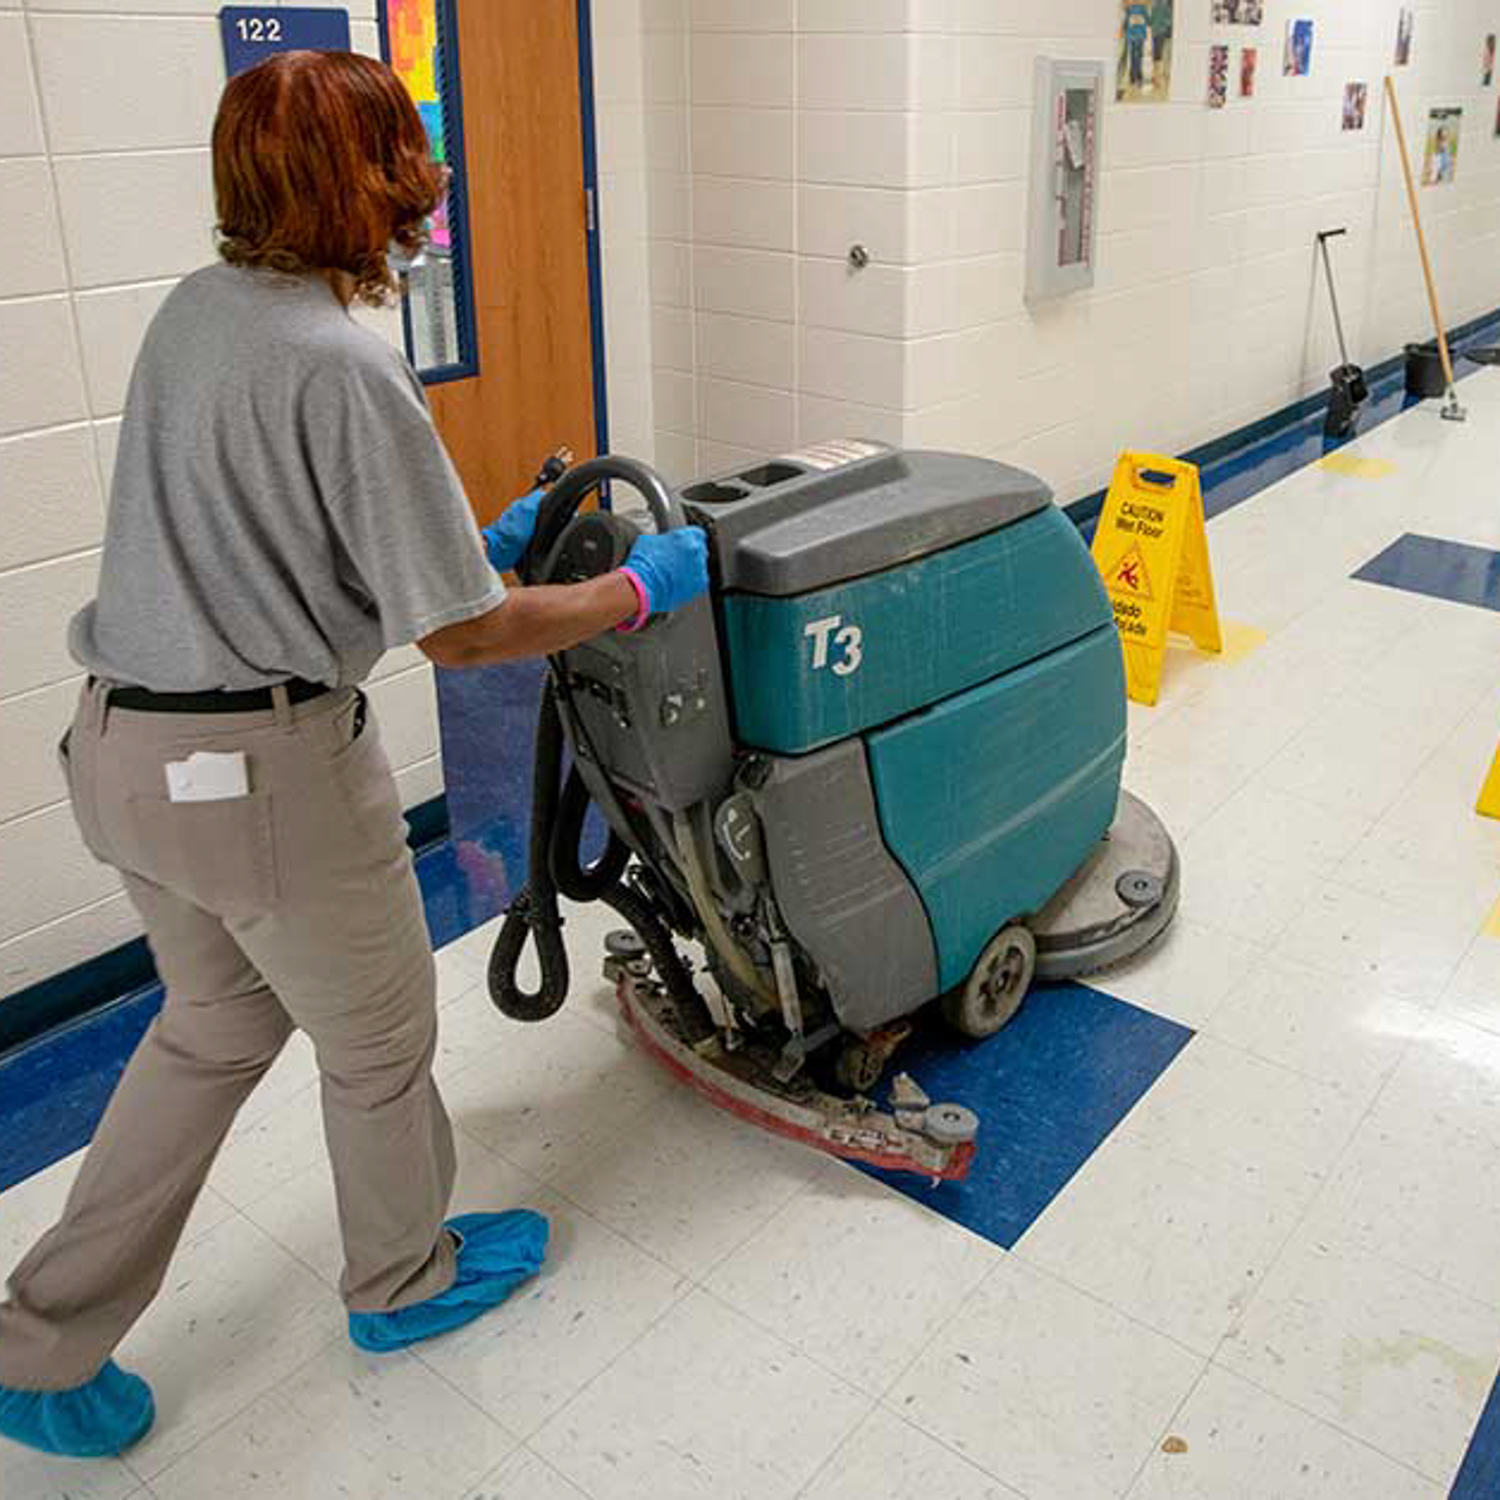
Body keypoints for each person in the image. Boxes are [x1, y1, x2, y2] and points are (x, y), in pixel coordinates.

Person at [0, 50, 708, 1461]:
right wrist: (637, 591)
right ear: (371, 182)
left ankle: (34, 1344)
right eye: (406, 159)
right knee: (379, 1041)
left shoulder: (193, 317)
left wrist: (464, 544)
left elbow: (264, 543)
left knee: (209, 1030)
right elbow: (462, 638)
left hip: (122, 752)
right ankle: (401, 1280)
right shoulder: (345, 362)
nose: (423, 192)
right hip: (262, 782)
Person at [1124, 2, 1150, 91]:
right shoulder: (1142, 8)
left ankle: (1133, 78)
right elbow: (1148, 21)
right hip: (1139, 35)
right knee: (1138, 56)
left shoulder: (1129, 8)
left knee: (1133, 56)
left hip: (1133, 35)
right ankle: (1137, 77)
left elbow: (1126, 23)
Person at [1149, 0, 1174, 91]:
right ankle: (1157, 78)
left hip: (1156, 32)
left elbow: (1151, 20)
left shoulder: (1155, 6)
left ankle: (1157, 78)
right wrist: (1164, 25)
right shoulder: (1164, 6)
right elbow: (1169, 20)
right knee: (1159, 55)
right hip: (1161, 32)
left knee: (1157, 56)